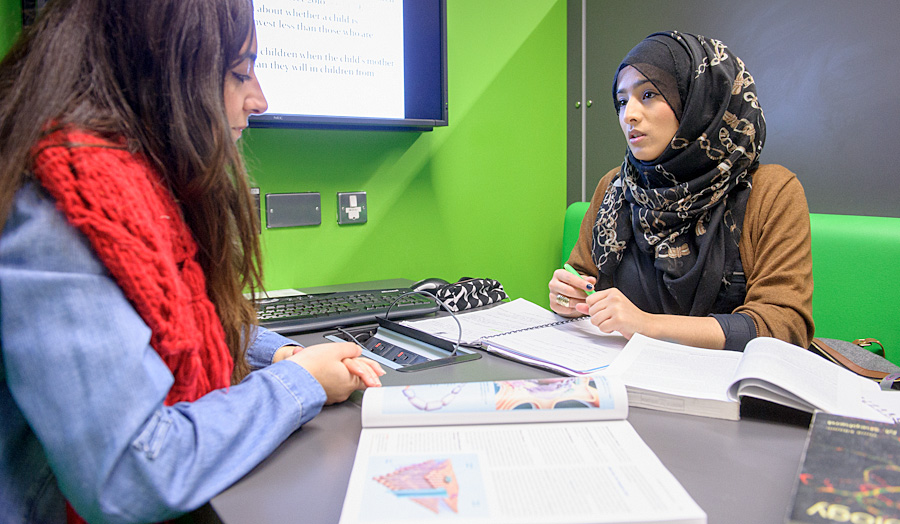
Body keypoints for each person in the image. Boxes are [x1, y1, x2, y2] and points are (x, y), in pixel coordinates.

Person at [0, 1, 384, 522]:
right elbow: (131, 474)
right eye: (239, 73)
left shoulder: (136, 186)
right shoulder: (60, 209)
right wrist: (301, 385)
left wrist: (281, 353)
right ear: (164, 70)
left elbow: (180, 323)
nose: (260, 99)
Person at [549, 31, 814, 351]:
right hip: (619, 380)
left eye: (648, 94)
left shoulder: (771, 192)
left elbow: (783, 325)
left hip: (727, 389)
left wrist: (648, 325)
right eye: (622, 101)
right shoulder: (615, 187)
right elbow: (581, 278)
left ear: (701, 101)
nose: (629, 114)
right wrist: (568, 296)